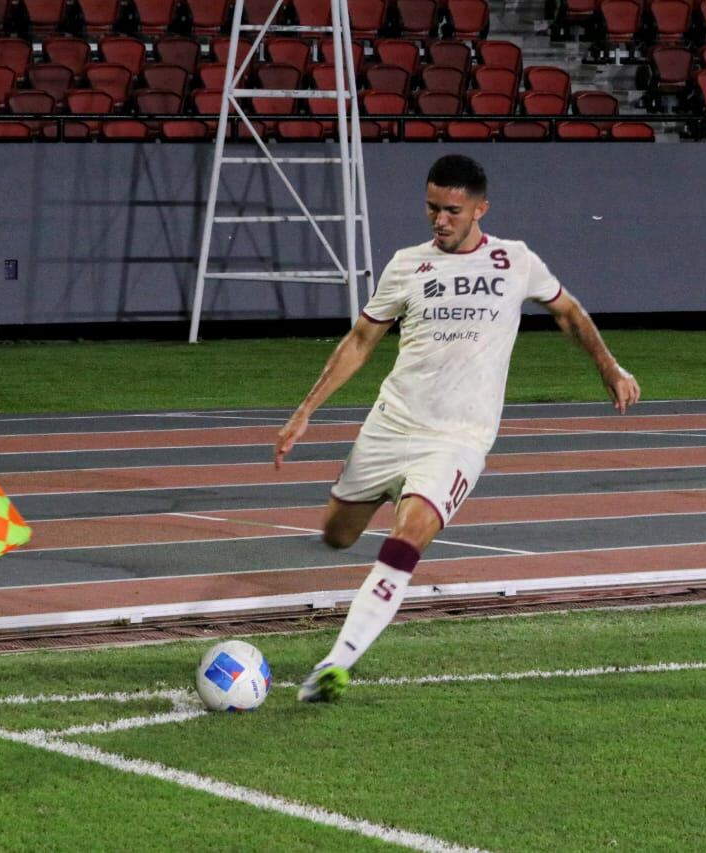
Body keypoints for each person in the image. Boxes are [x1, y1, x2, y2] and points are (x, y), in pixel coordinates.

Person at [274, 154, 642, 702]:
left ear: (479, 209)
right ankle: (364, 525)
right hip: (391, 425)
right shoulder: (407, 265)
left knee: (410, 533)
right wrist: (306, 410)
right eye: (431, 208)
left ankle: (338, 661)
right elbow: (360, 341)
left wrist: (610, 367)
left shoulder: (514, 260)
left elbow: (568, 313)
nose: (438, 220)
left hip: (458, 440)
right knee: (338, 534)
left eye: (451, 210)